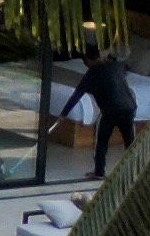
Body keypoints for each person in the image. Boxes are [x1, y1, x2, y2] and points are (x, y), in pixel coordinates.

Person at [58, 31, 143, 177]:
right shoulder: (117, 66)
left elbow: (76, 95)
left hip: (111, 111)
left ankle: (99, 172)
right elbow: (124, 69)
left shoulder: (92, 74)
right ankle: (137, 171)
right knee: (130, 142)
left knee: (102, 141)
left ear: (88, 60)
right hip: (129, 107)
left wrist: (63, 114)